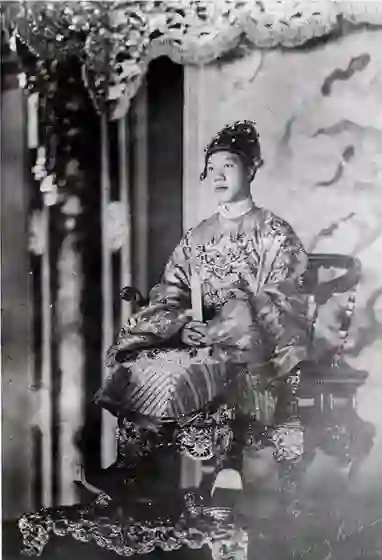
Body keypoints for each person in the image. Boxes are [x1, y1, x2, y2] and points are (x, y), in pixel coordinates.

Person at [78, 120, 312, 498]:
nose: (218, 176)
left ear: (251, 169)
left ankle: (228, 467)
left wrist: (230, 319)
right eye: (212, 168)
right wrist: (181, 325)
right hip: (198, 338)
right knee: (140, 364)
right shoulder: (198, 236)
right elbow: (171, 291)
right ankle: (134, 467)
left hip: (249, 340)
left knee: (217, 365)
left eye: (228, 166)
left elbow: (284, 294)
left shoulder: (274, 232)